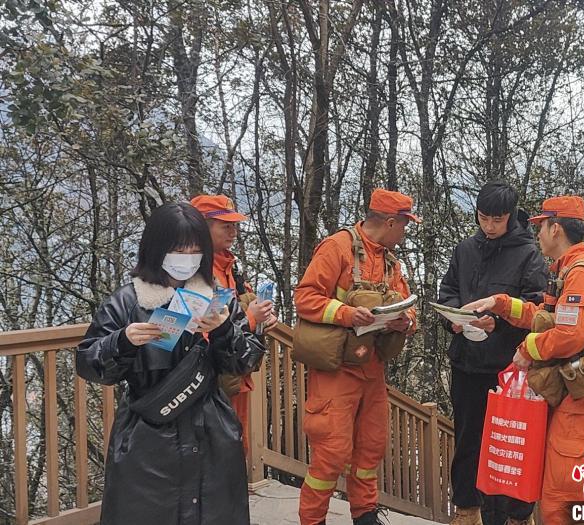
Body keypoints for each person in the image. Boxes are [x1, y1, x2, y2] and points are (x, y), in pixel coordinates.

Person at [76, 202, 266, 525]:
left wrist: (222, 330)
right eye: (179, 249)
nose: (187, 258)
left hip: (213, 434)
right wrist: (122, 341)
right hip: (147, 441)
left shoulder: (217, 298)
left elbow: (245, 360)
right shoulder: (128, 301)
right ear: (157, 249)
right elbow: (87, 363)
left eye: (195, 250)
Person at [464, 196, 584, 525]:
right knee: (559, 496)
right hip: (574, 397)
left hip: (583, 402)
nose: (538, 234)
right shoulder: (567, 271)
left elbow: (570, 334)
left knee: (561, 500)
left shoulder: (580, 276)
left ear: (556, 229)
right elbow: (543, 316)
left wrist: (527, 349)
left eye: (542, 227)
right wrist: (500, 303)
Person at [294, 189, 419, 525]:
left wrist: (405, 321)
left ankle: (365, 515)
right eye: (404, 224)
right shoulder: (337, 247)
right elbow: (305, 298)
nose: (405, 231)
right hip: (336, 371)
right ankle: (313, 520)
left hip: (372, 369)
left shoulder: (391, 262)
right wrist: (347, 314)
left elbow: (409, 307)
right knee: (331, 453)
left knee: (370, 448)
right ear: (390, 222)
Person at [438, 182, 547, 525]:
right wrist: (453, 318)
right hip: (467, 362)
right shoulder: (465, 249)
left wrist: (496, 323)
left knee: (512, 445)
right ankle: (466, 511)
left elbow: (538, 311)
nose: (488, 226)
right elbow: (448, 290)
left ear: (511, 217)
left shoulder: (529, 254)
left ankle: (516, 516)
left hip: (510, 369)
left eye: (496, 220)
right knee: (468, 441)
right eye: (483, 218)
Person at [191, 194, 277, 455]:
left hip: (235, 377)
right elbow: (200, 330)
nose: (233, 232)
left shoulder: (229, 266)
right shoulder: (194, 271)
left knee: (236, 449)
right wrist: (251, 319)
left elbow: (237, 313)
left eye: (235, 225)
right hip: (207, 384)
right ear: (201, 227)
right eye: (225, 226)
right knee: (216, 453)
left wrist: (263, 320)